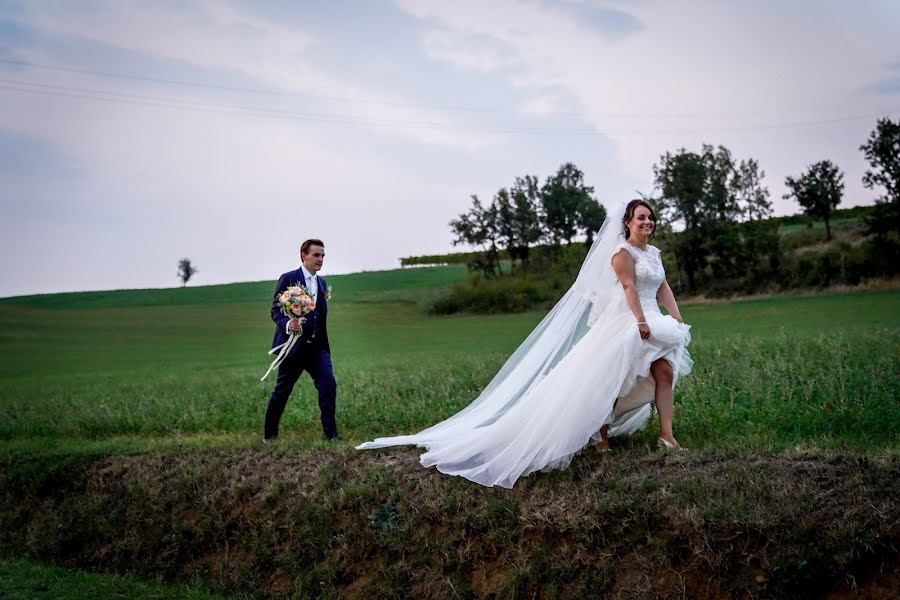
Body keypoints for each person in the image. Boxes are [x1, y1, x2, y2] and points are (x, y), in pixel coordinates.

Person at [357, 200, 692, 487]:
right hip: (628, 321)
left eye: (650, 217)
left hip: (653, 321)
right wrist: (641, 321)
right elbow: (630, 289)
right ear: (628, 223)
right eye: (640, 217)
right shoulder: (622, 254)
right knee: (609, 380)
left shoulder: (654, 253)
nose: (647, 222)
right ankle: (599, 430)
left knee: (663, 372)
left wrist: (675, 318)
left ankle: (666, 435)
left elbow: (662, 288)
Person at [264, 239, 338, 443]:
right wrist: (288, 325)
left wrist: (323, 346)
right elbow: (276, 309)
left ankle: (330, 436)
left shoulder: (322, 283)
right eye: (316, 255)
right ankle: (269, 437)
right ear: (303, 255)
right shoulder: (288, 278)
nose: (320, 259)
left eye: (323, 255)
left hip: (317, 349)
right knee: (282, 391)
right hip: (293, 349)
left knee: (328, 385)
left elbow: (320, 315)